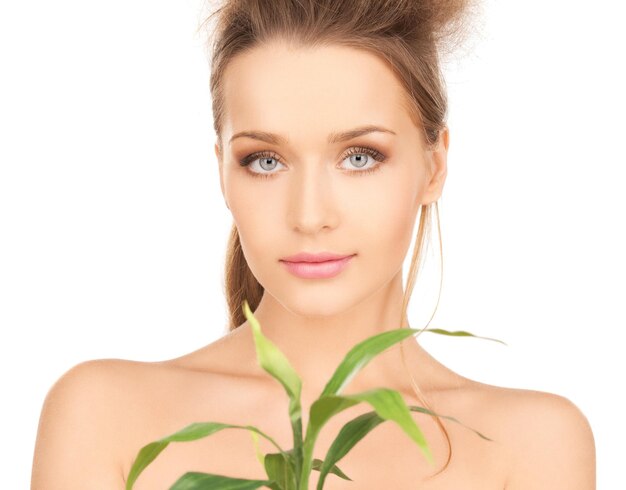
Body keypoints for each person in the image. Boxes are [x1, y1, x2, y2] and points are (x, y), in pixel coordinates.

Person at [31, 0, 596, 488]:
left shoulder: (531, 443)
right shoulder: (104, 415)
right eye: (266, 161)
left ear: (434, 166)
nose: (309, 216)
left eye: (359, 157)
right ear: (223, 173)